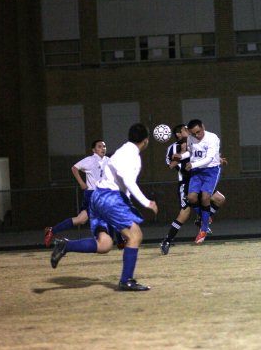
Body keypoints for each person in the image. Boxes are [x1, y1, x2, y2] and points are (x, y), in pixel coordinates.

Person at [50, 123, 158, 292]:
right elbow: (127, 180)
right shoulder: (133, 156)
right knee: (135, 235)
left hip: (98, 196)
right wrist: (146, 202)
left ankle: (65, 245)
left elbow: (122, 182)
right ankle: (126, 280)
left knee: (105, 244)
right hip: (109, 197)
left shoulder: (122, 150)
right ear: (145, 141)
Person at [160, 123, 226, 254]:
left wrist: (219, 160)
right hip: (186, 182)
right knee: (184, 214)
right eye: (185, 130)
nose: (189, 132)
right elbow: (171, 165)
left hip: (201, 178)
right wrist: (181, 153)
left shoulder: (197, 141)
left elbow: (207, 156)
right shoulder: (174, 148)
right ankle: (166, 241)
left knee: (220, 199)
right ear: (178, 134)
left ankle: (201, 219)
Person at [44, 139, 108, 248]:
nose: (103, 148)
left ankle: (52, 230)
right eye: (99, 146)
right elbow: (74, 168)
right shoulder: (90, 160)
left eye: (104, 146)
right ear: (94, 150)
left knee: (80, 220)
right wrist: (82, 183)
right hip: (93, 194)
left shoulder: (108, 160)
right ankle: (120, 241)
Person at [175, 118, 223, 245]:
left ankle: (203, 229)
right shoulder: (191, 138)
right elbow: (191, 153)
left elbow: (209, 159)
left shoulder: (213, 138)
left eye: (198, 132)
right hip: (197, 171)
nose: (197, 135)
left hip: (211, 170)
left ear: (203, 127)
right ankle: (205, 218)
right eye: (193, 133)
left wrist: (193, 165)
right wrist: (182, 156)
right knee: (191, 198)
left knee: (206, 197)